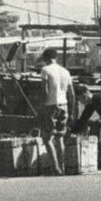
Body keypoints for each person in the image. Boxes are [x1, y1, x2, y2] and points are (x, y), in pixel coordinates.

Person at [38, 47, 76, 176]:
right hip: (64, 105)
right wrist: (71, 112)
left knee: (47, 138)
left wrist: (42, 107)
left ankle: (56, 168)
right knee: (59, 138)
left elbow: (45, 91)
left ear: (45, 58)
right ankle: (63, 167)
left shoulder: (45, 70)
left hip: (51, 106)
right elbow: (72, 94)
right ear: (56, 57)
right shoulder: (65, 71)